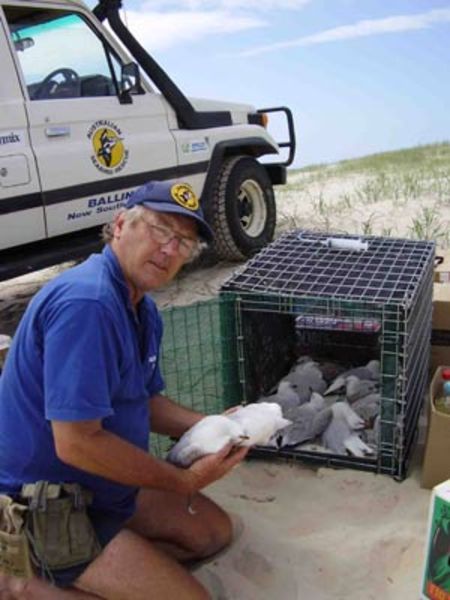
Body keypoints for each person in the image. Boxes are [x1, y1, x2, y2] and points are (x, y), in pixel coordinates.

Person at [0, 180, 248, 599]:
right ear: (119, 225)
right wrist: (181, 481)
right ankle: (19, 577)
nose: (171, 250)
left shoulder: (141, 306)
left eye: (185, 243)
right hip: (44, 500)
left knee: (212, 534)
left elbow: (144, 400)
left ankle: (89, 564)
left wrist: (212, 424)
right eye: (159, 230)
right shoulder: (89, 303)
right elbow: (76, 443)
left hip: (99, 485)